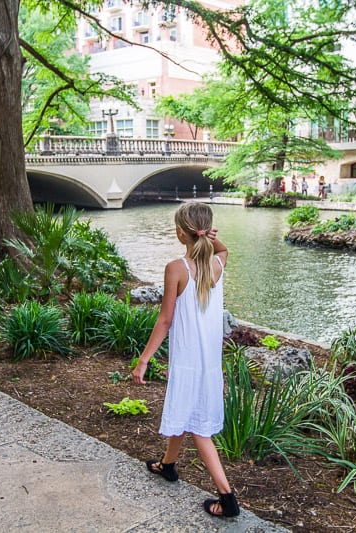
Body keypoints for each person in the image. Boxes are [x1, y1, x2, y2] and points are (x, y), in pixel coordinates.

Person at [132, 203, 239, 519]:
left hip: (188, 361)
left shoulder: (176, 268)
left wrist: (143, 361)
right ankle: (168, 465)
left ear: (181, 233)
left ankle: (227, 497)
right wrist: (211, 238)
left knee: (198, 429)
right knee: (185, 411)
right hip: (208, 365)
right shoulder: (217, 264)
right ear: (206, 231)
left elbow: (165, 321)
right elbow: (224, 249)